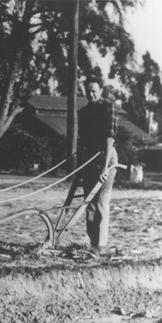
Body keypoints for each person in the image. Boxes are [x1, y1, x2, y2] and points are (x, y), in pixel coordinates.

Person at [78, 76, 118, 255]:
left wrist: (105, 166)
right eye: (88, 90)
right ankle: (93, 243)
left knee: (101, 201)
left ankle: (100, 245)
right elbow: (82, 141)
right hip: (89, 158)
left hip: (106, 157)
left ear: (101, 90)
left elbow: (110, 138)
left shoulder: (108, 107)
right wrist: (79, 166)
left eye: (94, 90)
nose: (90, 94)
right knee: (89, 202)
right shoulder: (83, 112)